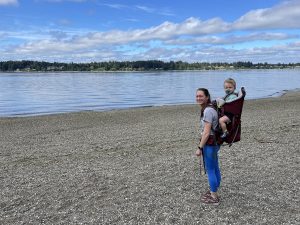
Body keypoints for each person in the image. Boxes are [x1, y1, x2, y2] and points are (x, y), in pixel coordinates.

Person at [195, 88, 221, 205]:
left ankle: (214, 197)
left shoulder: (207, 111)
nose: (198, 98)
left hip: (210, 143)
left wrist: (200, 148)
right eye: (197, 96)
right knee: (215, 167)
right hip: (215, 142)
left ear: (207, 97)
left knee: (210, 169)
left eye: (201, 96)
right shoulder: (212, 107)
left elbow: (206, 132)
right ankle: (214, 189)